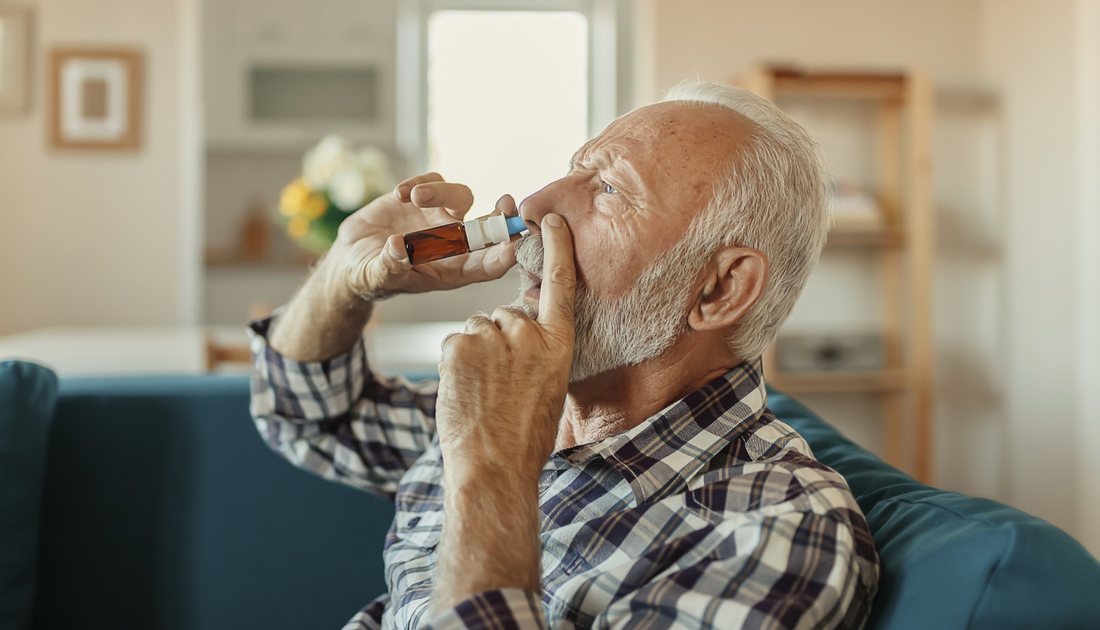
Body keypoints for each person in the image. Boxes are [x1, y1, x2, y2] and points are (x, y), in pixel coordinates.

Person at [249, 80, 879, 629]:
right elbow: (308, 416)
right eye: (574, 169)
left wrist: (493, 465)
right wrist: (346, 273)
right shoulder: (528, 409)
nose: (533, 208)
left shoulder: (775, 535)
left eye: (608, 189)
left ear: (718, 289)